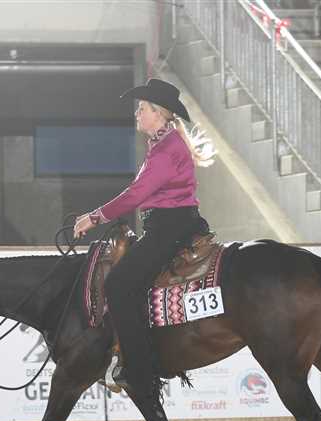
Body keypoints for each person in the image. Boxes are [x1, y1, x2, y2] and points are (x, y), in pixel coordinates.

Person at [73, 78, 215, 399]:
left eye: (142, 109)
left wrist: (94, 217)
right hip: (169, 225)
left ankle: (139, 367)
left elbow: (136, 194)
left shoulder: (166, 149)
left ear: (158, 113)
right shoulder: (165, 144)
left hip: (170, 229)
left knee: (118, 284)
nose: (137, 113)